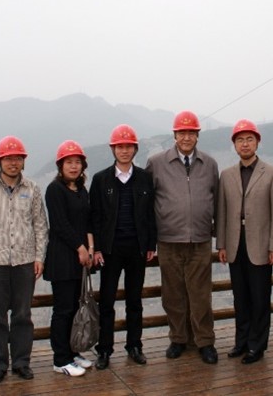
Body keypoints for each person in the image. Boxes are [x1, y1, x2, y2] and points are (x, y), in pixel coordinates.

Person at [0, 135, 49, 384]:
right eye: (8, 158)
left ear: (23, 161)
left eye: (17, 158)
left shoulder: (33, 189)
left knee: (23, 315)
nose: (13, 162)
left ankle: (22, 362)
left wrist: (39, 257)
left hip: (25, 261)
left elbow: (40, 225)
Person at [146, 110, 220, 364]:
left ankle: (204, 341)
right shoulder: (156, 163)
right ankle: (178, 339)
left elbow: (217, 202)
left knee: (201, 295)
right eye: (182, 133)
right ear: (174, 135)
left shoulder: (209, 164)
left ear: (197, 135)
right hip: (168, 240)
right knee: (173, 294)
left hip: (200, 240)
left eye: (191, 133)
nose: (186, 137)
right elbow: (147, 203)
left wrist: (218, 237)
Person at [216, 120, 273, 364]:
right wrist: (221, 244)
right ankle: (241, 341)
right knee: (240, 297)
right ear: (234, 145)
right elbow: (222, 212)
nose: (244, 144)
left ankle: (257, 345)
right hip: (235, 243)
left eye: (249, 139)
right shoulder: (226, 175)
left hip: (261, 244)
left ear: (257, 143)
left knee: (259, 297)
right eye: (240, 140)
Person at [90, 125, 157, 369]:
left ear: (135, 149)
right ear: (113, 149)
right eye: (120, 146)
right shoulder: (101, 179)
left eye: (129, 146)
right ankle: (104, 349)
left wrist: (150, 244)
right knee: (106, 301)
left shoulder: (145, 178)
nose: (124, 151)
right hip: (110, 250)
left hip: (137, 248)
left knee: (134, 300)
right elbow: (95, 216)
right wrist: (97, 248)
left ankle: (134, 345)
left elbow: (150, 214)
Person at [44, 140, 94, 377]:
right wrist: (80, 247)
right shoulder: (55, 189)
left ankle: (73, 351)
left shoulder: (81, 190)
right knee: (63, 309)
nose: (74, 166)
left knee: (75, 307)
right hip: (62, 257)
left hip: (79, 258)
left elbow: (88, 221)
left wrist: (90, 248)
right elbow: (60, 224)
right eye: (69, 162)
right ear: (60, 166)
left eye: (77, 162)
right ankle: (60, 358)